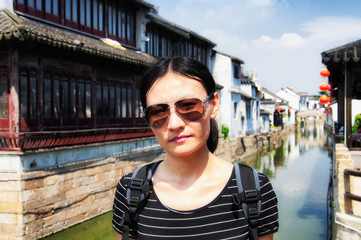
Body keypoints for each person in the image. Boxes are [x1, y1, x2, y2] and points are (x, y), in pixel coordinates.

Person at [112, 57, 279, 240]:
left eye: (188, 106)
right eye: (158, 112)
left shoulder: (254, 189)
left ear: (213, 105)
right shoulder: (131, 191)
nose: (174, 124)